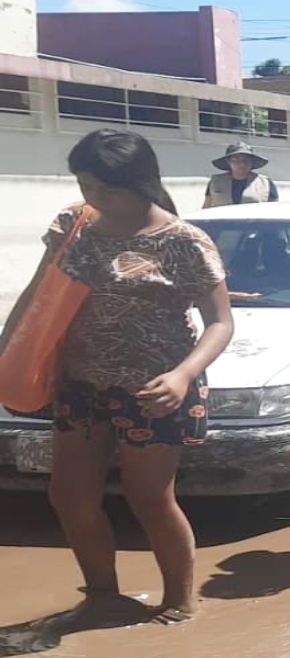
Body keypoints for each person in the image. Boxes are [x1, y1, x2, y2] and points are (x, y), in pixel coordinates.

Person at [4, 129, 234, 624]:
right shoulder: (74, 226)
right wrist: (9, 354)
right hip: (81, 384)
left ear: (142, 183)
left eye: (107, 189)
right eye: (86, 185)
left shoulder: (184, 242)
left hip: (155, 391)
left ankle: (179, 599)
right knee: (67, 495)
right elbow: (37, 296)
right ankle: (103, 596)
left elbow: (221, 323)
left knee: (149, 498)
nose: (95, 198)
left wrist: (183, 375)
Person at [203, 141, 279, 208]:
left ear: (252, 162)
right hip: (221, 223)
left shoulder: (265, 183)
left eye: (246, 160)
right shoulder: (215, 182)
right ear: (228, 162)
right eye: (236, 160)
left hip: (254, 223)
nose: (242, 164)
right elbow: (206, 207)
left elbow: (274, 210)